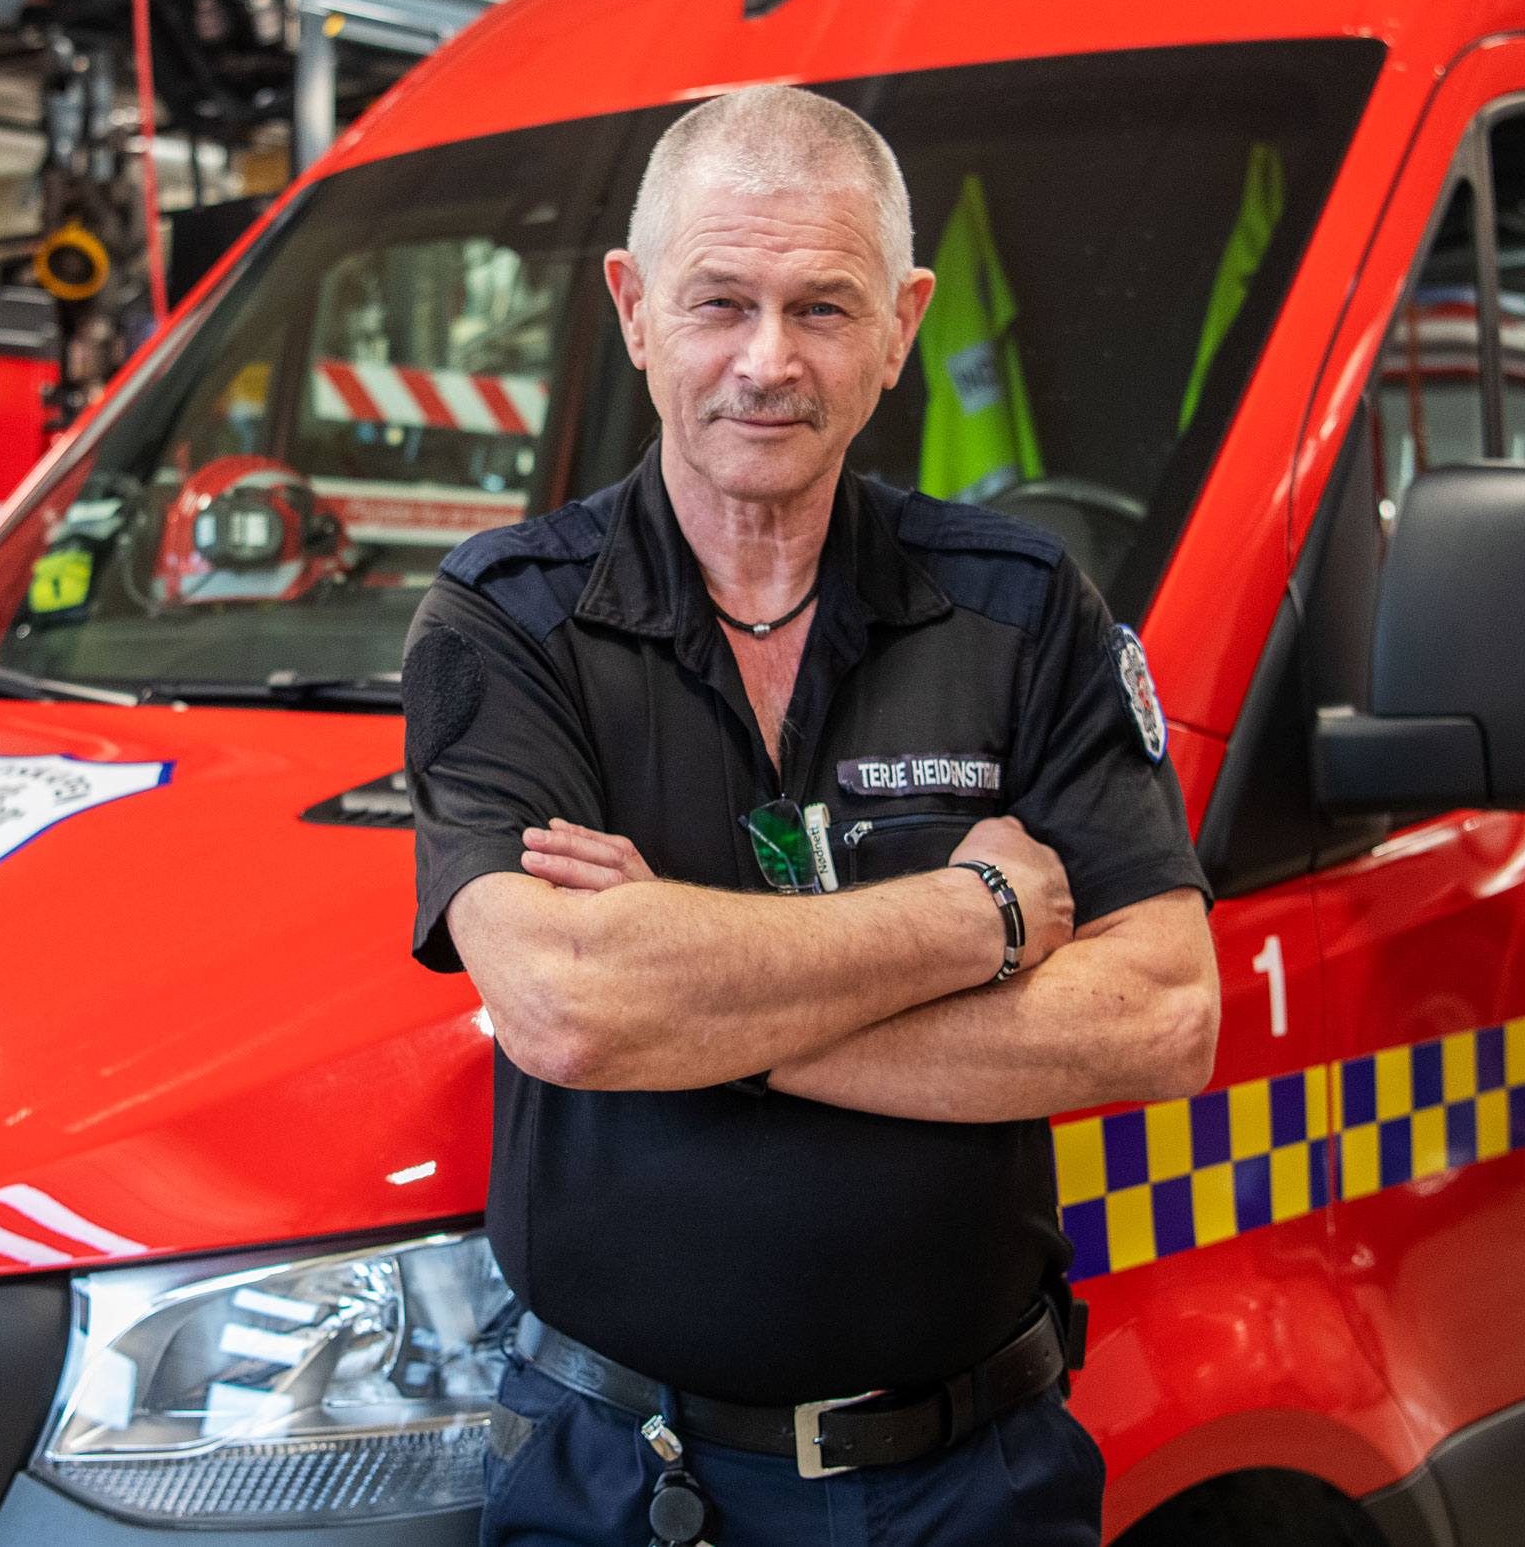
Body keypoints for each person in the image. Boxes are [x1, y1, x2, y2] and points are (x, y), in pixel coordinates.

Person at [403, 84, 1220, 1546]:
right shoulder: (505, 623)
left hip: (979, 1479)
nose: (766, 362)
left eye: (823, 309)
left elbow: (1158, 1018)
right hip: (626, 1481)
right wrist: (977, 920)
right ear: (635, 306)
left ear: (904, 324)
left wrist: (706, 1012)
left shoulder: (1022, 610)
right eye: (720, 302)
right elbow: (575, 1009)